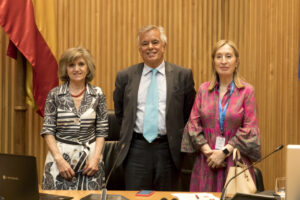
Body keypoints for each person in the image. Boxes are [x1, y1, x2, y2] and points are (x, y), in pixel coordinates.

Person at [113, 25, 196, 190]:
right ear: (139, 49)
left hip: (169, 150)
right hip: (136, 150)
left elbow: (189, 112)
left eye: (155, 42)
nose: (150, 47)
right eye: (145, 43)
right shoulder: (125, 76)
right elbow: (120, 112)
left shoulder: (182, 75)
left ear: (164, 46)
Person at [181, 40, 261, 192]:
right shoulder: (204, 90)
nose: (223, 61)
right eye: (219, 57)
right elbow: (193, 125)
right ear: (213, 61)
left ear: (236, 62)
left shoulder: (247, 91)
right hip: (207, 161)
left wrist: (223, 152)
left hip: (234, 162)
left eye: (228, 56)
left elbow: (250, 128)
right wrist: (209, 152)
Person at [41, 47, 108, 190]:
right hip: (59, 160)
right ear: (65, 69)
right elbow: (48, 130)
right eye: (71, 65)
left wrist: (95, 159)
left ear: (88, 68)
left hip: (90, 162)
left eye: (81, 64)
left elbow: (102, 131)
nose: (76, 69)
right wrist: (59, 160)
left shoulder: (98, 94)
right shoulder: (54, 94)